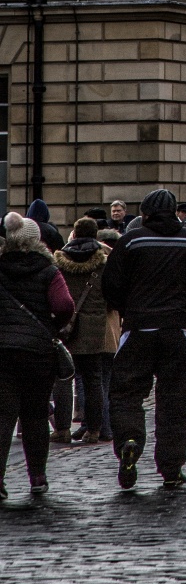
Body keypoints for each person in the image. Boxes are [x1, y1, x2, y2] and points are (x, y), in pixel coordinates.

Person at [101, 187, 186, 491]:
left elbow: (111, 285)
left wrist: (129, 309)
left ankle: (129, 441)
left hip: (138, 329)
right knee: (175, 404)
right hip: (178, 331)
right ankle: (171, 468)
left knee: (126, 394)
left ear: (145, 213)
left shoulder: (130, 241)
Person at [0, 211, 74, 499]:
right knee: (35, 415)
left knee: (3, 417)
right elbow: (64, 304)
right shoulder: (48, 269)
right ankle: (37, 477)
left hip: (3, 350)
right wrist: (51, 325)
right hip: (37, 352)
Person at [51, 218, 115, 446]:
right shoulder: (104, 263)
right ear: (95, 234)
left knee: (63, 378)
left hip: (65, 326)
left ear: (74, 234)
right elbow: (113, 296)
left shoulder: (59, 261)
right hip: (95, 327)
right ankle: (94, 431)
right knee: (93, 380)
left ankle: (63, 429)